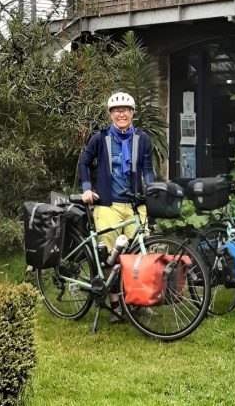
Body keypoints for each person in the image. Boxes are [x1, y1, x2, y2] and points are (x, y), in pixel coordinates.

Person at [79, 91, 154, 322]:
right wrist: (86, 188)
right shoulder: (100, 138)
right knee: (109, 257)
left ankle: (137, 301)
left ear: (132, 113)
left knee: (139, 255)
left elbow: (147, 169)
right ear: (111, 114)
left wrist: (152, 190)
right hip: (107, 205)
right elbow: (84, 162)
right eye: (117, 111)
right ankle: (116, 305)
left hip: (135, 205)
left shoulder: (143, 139)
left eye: (125, 110)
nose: (121, 114)